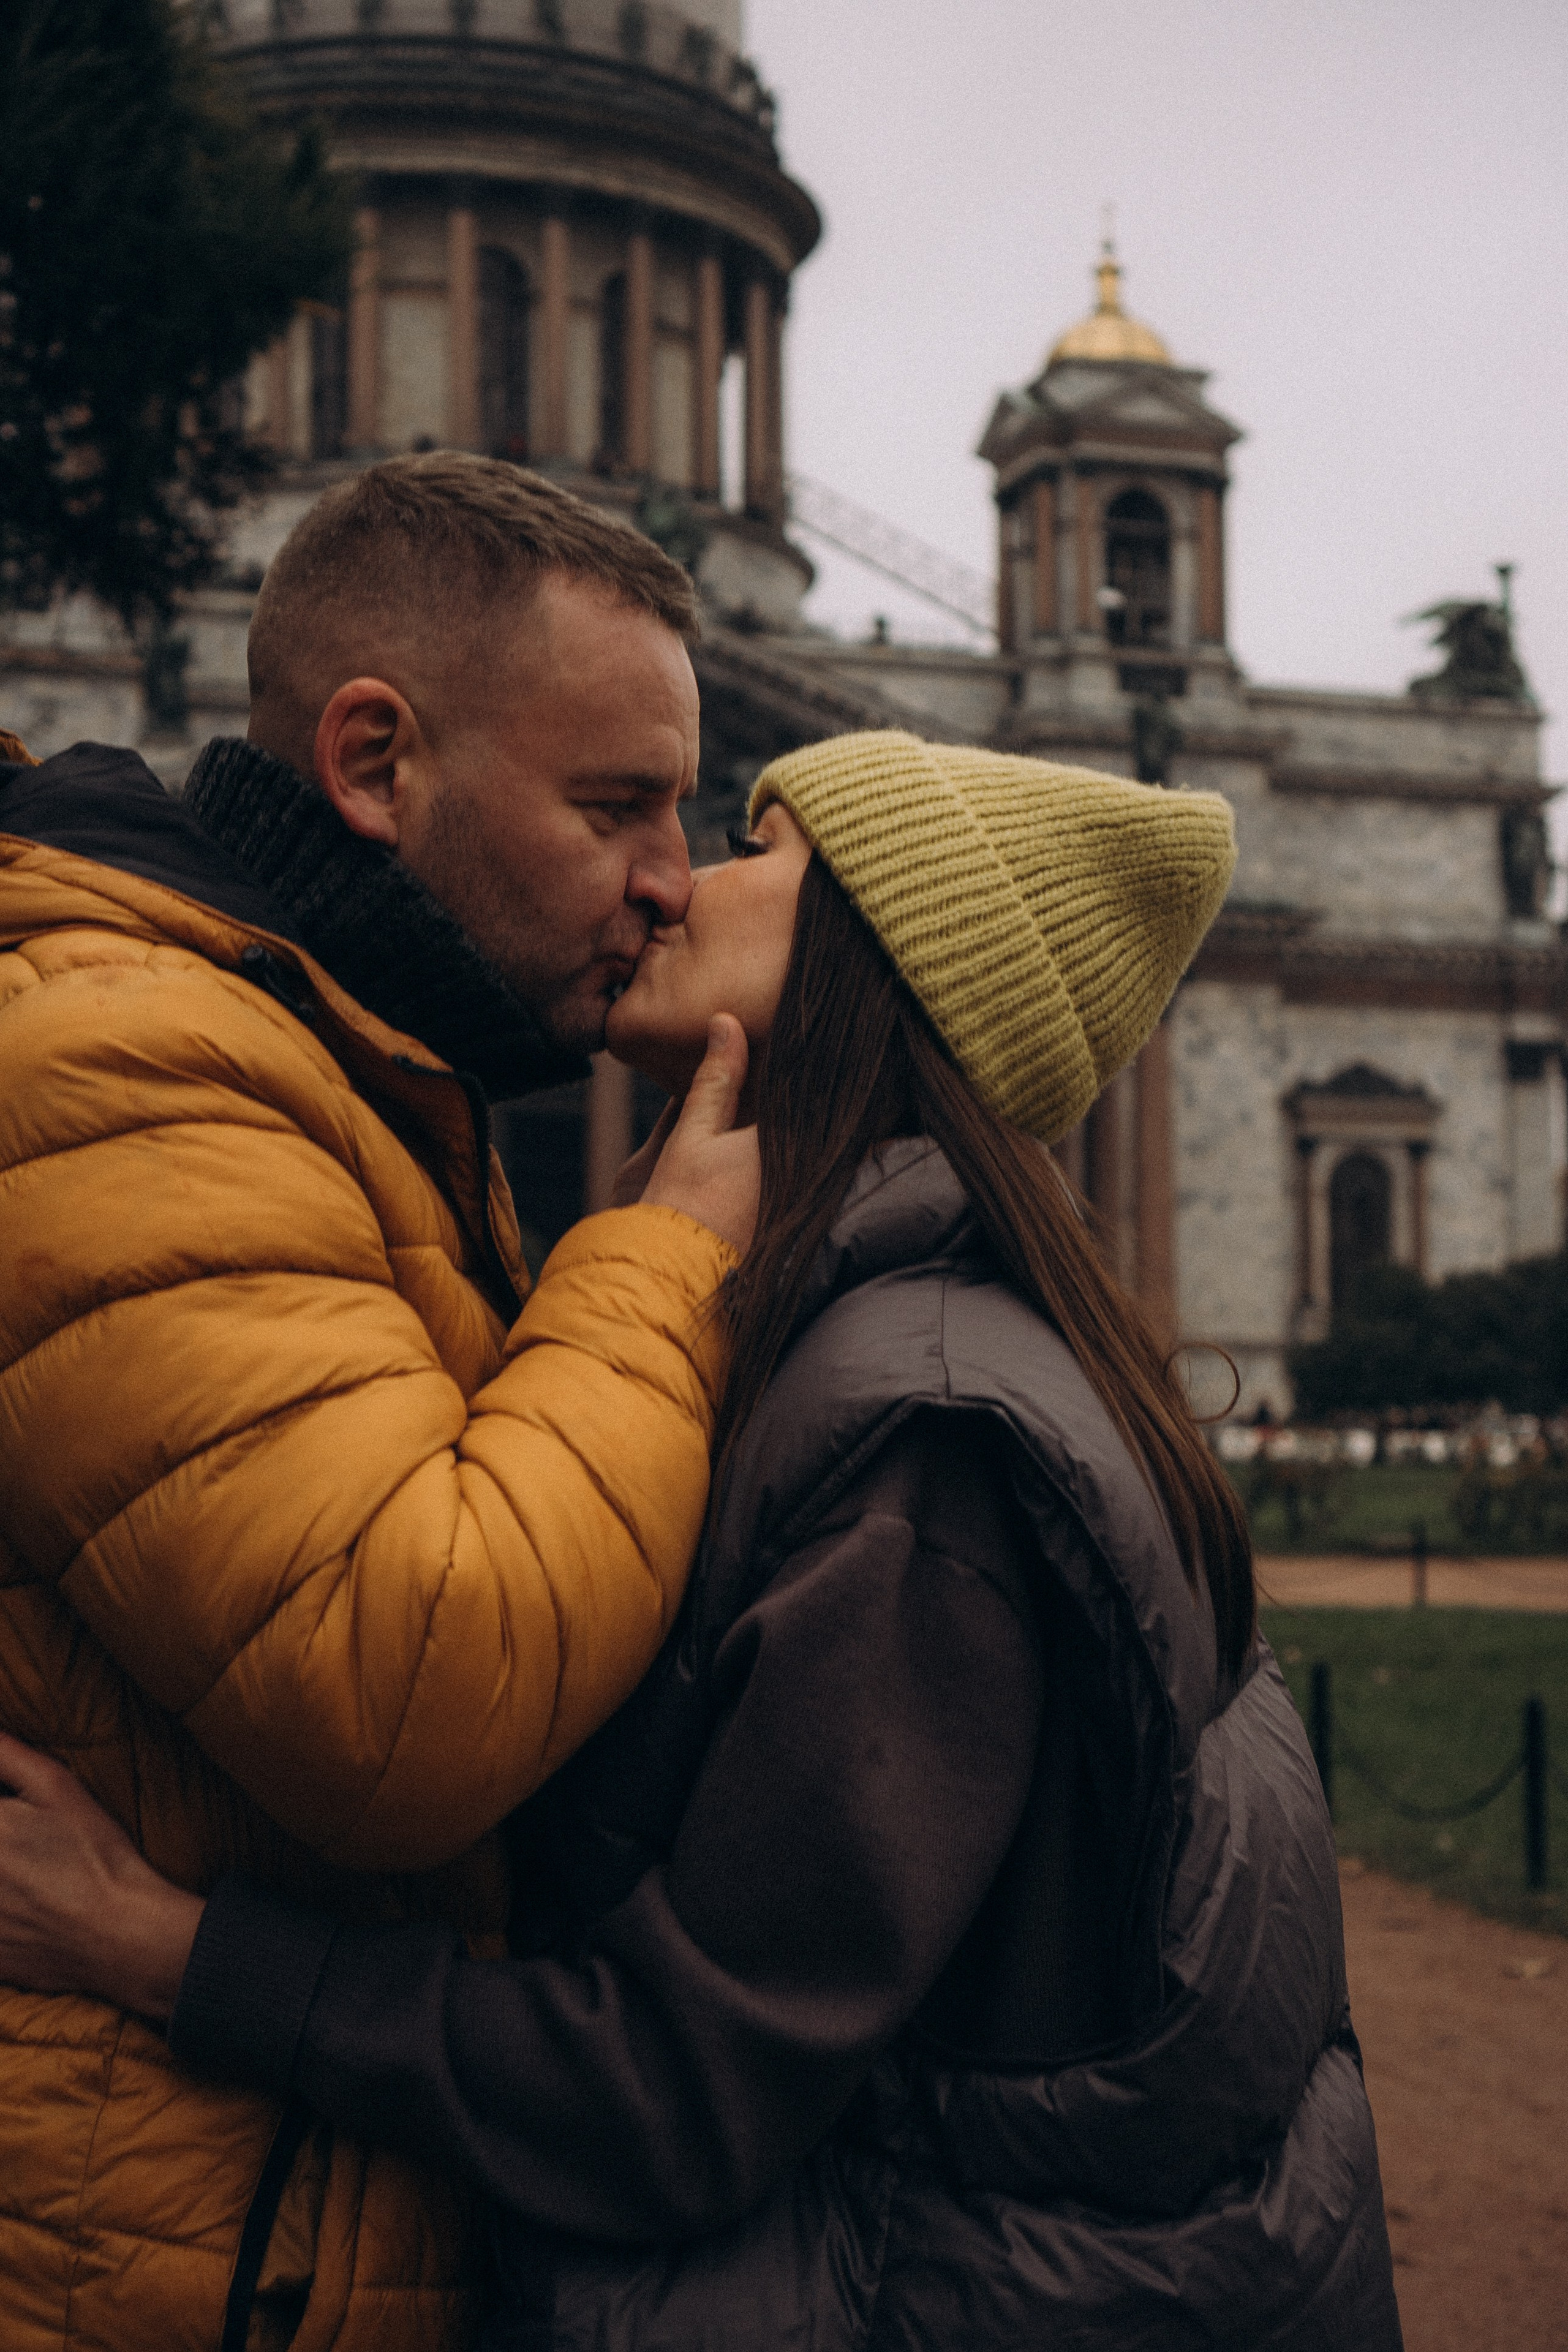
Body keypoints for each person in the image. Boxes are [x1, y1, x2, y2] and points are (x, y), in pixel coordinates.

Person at [0, 731, 1403, 2349]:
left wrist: (167, 1946)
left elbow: (672, 2087)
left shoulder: (916, 1443)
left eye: (759, 850)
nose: (676, 878)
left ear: (880, 961)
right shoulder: (839, 1346)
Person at [0, 455, 761, 2352]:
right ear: (374, 762)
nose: (674, 884)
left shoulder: (356, 1060)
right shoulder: (131, 1053)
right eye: (617, 808)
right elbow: (403, 1678)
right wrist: (659, 1259)